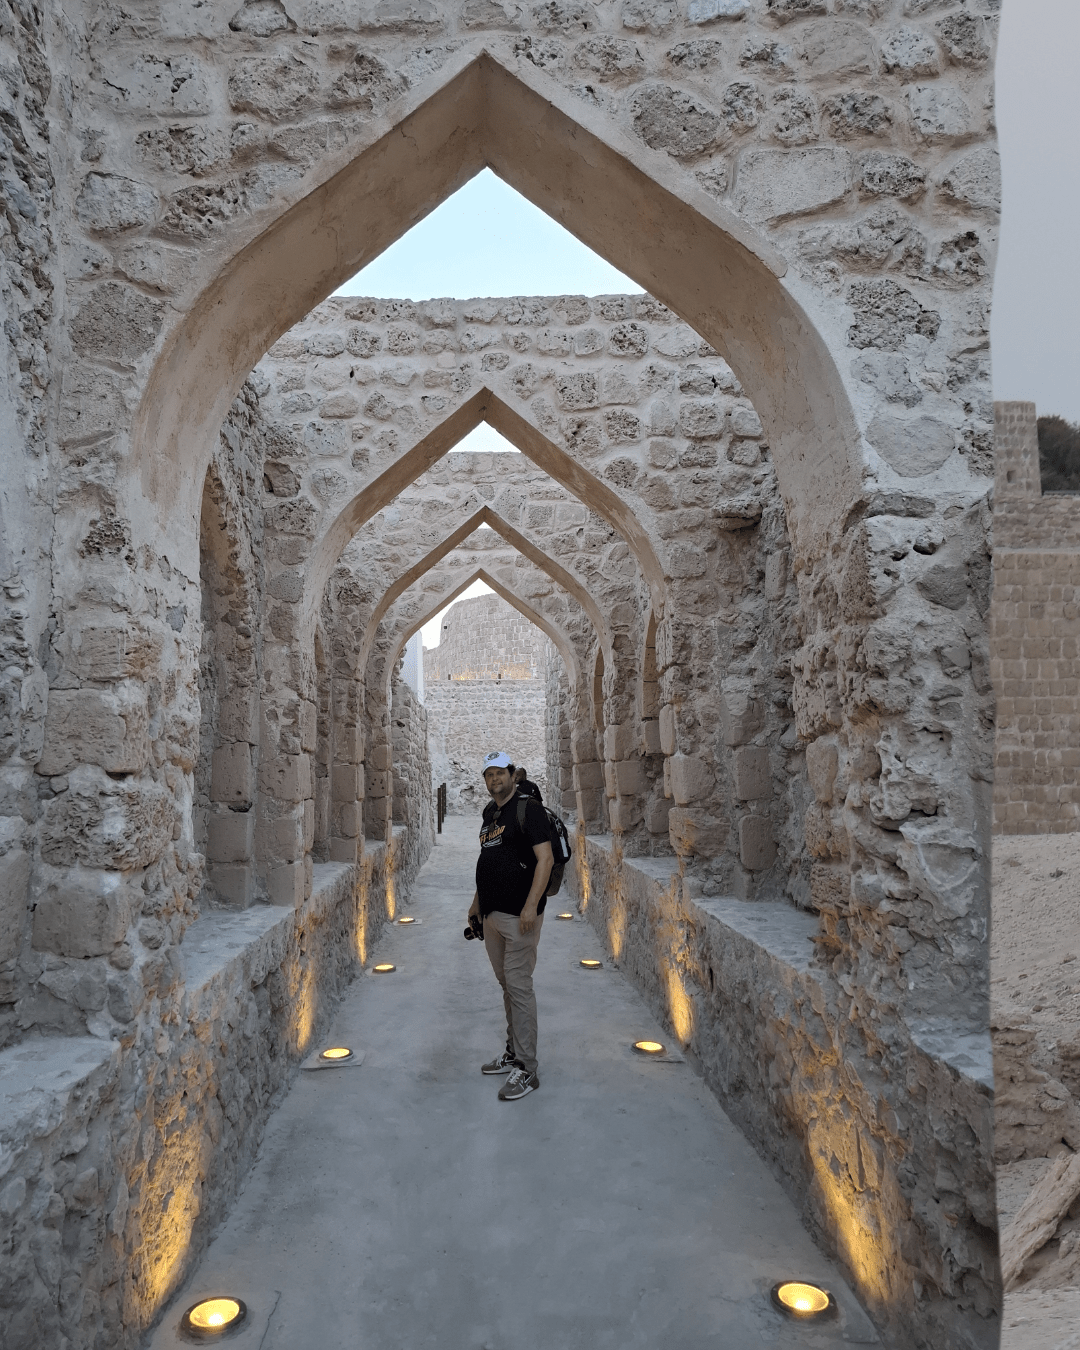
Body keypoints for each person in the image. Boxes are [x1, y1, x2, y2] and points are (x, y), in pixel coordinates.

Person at [469, 750, 553, 1101]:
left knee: (518, 986)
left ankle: (527, 1069)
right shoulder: (491, 813)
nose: (494, 780)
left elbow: (545, 859)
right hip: (491, 915)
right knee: (506, 983)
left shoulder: (528, 809)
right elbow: (488, 859)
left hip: (520, 916)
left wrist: (531, 906)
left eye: (499, 773)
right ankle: (512, 1050)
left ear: (511, 773)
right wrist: (476, 905)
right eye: (488, 775)